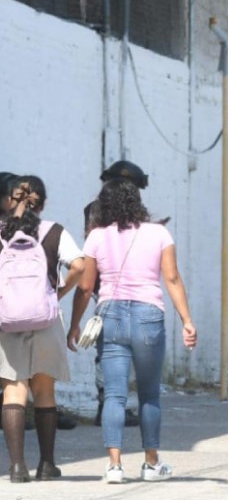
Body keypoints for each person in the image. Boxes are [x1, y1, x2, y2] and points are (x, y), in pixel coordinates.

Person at [68, 178, 197, 484]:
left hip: (109, 315)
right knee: (149, 394)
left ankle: (113, 467)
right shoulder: (159, 233)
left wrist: (74, 324)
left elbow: (86, 287)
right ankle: (151, 464)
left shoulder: (96, 236)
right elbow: (173, 279)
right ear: (137, 201)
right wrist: (187, 321)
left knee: (114, 395)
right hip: (148, 316)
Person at [0, 176, 84, 482]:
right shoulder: (55, 231)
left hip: (7, 322)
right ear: (43, 203)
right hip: (46, 320)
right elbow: (80, 265)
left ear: (11, 201)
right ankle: (47, 465)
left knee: (14, 388)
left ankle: (17, 467)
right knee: (44, 390)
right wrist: (58, 291)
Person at [83, 160, 153, 429]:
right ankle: (109, 405)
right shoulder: (106, 211)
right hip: (117, 287)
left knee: (112, 351)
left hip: (109, 287)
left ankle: (111, 404)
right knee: (115, 351)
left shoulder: (97, 209)